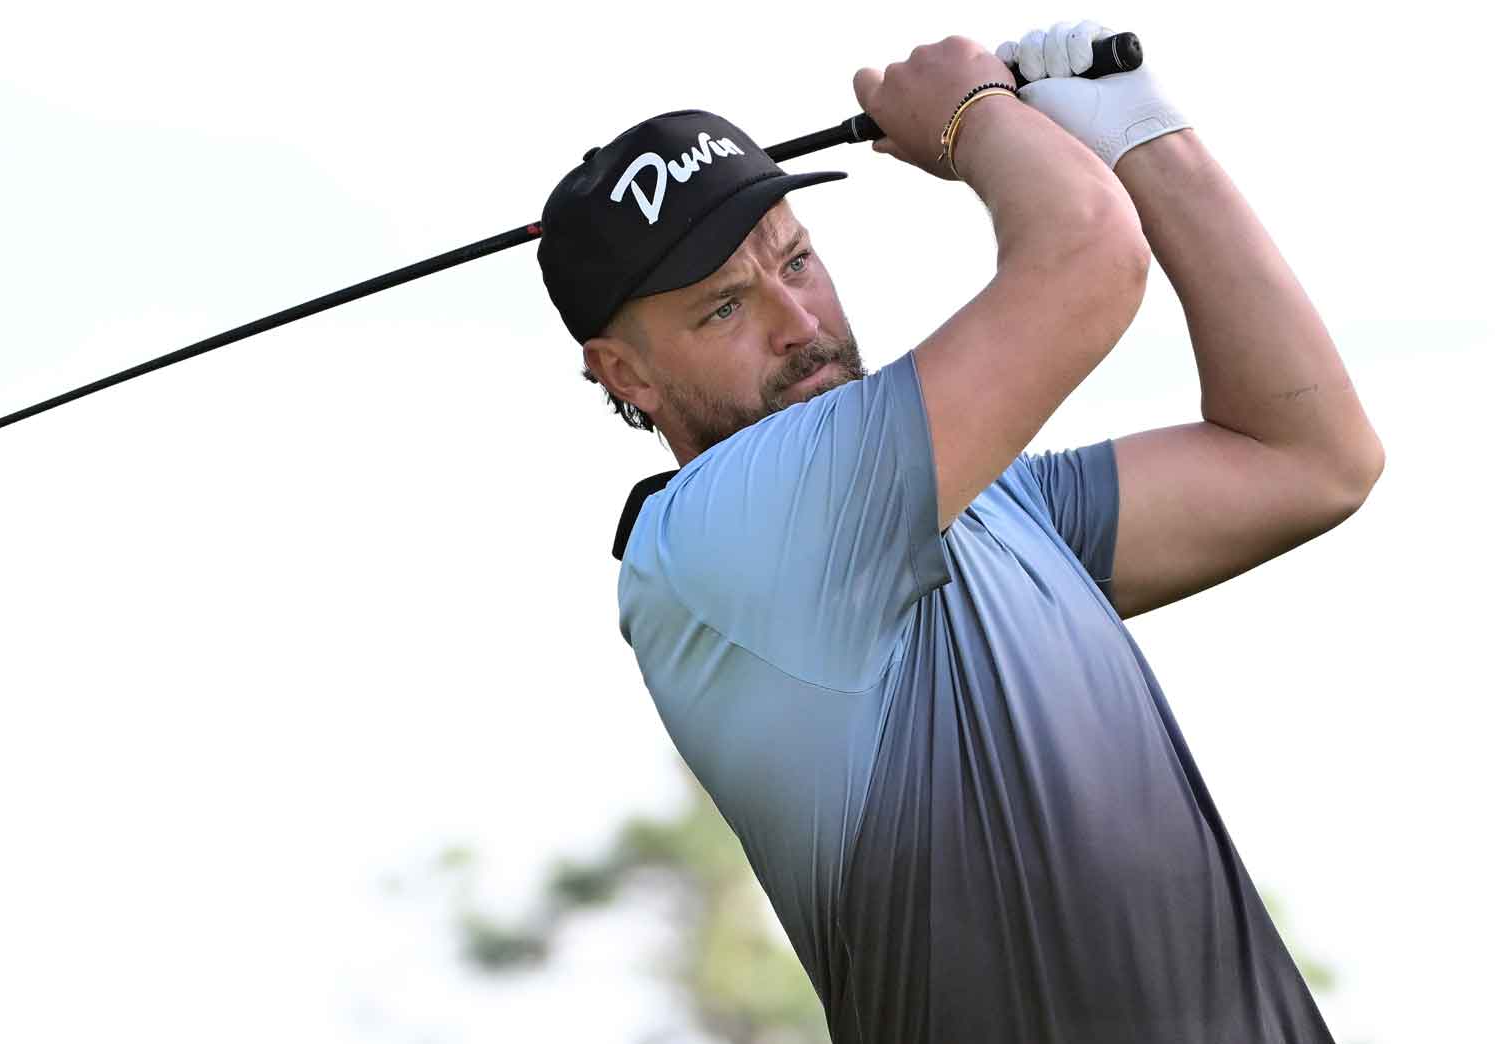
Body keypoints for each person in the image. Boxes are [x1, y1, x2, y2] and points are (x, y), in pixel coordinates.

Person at [537, 22, 1383, 1044]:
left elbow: (1309, 456)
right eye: (722, 310)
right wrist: (973, 118)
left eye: (795, 262)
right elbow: (1085, 261)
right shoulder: (717, 537)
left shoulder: (982, 504)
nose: (797, 323)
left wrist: (1145, 141)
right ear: (624, 375)